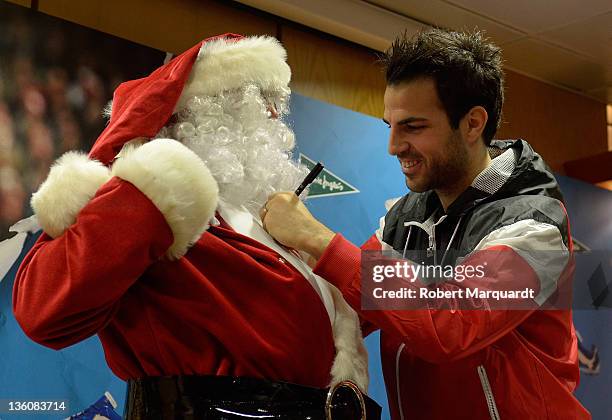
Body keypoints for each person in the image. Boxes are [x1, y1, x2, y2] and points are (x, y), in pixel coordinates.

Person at [13, 34, 381, 419]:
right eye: (259, 97)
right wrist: (151, 189)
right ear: (201, 110)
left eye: (276, 100)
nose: (275, 116)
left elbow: (430, 308)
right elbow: (42, 310)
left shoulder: (279, 226)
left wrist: (321, 242)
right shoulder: (153, 210)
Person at [262, 29, 591, 419]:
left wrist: (316, 237)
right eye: (391, 126)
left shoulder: (534, 226)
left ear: (472, 124)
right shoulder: (405, 217)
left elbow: (447, 324)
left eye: (413, 127)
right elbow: (344, 313)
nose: (394, 146)